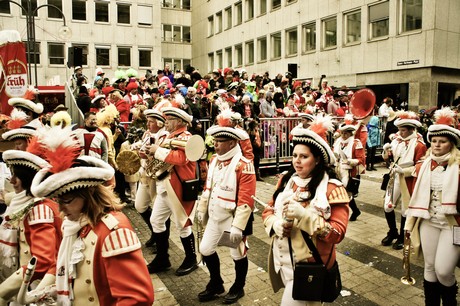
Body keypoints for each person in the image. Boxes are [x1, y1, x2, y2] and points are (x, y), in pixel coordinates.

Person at [30, 126, 154, 305]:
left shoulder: (113, 231)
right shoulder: (74, 227)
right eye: (59, 202)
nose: (61, 211)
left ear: (88, 196)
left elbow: (137, 299)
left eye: (67, 200)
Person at [262, 115, 349, 305]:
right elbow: (267, 210)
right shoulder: (286, 182)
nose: (297, 161)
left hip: (310, 269)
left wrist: (305, 217)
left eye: (304, 156)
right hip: (282, 264)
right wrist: (275, 225)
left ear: (317, 160)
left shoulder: (333, 189)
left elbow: (337, 234)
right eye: (295, 156)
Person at [196, 112, 256, 304]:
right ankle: (216, 283)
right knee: (205, 249)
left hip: (232, 218)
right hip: (215, 216)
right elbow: (208, 187)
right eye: (215, 140)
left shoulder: (243, 165)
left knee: (237, 254)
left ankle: (238, 287)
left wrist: (238, 227)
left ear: (231, 143)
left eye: (219, 141)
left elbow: (246, 200)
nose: (215, 144)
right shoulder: (214, 160)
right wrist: (201, 209)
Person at [405, 108, 460, 305]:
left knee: (444, 271)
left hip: (452, 225)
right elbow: (410, 193)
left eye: (442, 141)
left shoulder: (459, 167)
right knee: (429, 267)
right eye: (434, 140)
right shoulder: (423, 166)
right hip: (428, 221)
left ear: (451, 144)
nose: (437, 145)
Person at [0, 149, 62, 305]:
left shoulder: (38, 208)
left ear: (28, 179)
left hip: (38, 285)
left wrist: (5, 290)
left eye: (16, 176)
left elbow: (42, 260)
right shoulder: (27, 202)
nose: (12, 180)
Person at [146, 103, 199, 276]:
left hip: (177, 186)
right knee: (156, 220)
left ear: (178, 122)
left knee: (182, 224)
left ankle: (191, 259)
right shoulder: (167, 136)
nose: (165, 123)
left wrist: (157, 151)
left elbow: (182, 158)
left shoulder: (186, 137)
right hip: (164, 185)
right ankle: (163, 258)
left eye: (169, 120)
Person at [381, 111, 427, 250]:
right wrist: (386, 152)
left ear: (412, 129)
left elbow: (421, 166)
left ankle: (402, 236)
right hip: (394, 176)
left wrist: (405, 171)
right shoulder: (396, 141)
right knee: (387, 206)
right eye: (399, 130)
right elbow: (388, 159)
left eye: (403, 130)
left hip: (408, 179)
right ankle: (392, 232)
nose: (400, 133)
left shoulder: (419, 145)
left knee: (405, 210)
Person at [134, 109, 167, 249]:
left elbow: (161, 156)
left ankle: (161, 240)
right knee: (140, 206)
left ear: (160, 123)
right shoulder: (147, 133)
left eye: (151, 121)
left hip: (156, 176)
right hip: (145, 174)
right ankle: (155, 232)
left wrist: (147, 154)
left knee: (160, 210)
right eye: (147, 121)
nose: (147, 124)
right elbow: (142, 147)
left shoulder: (164, 135)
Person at [333, 115, 365, 221]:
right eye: (342, 133)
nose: (343, 135)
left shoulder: (356, 143)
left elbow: (360, 159)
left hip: (349, 171)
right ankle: (355, 211)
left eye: (346, 133)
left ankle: (346, 213)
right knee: (339, 191)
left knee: (345, 192)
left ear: (350, 133)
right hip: (337, 169)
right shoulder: (338, 142)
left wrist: (350, 161)